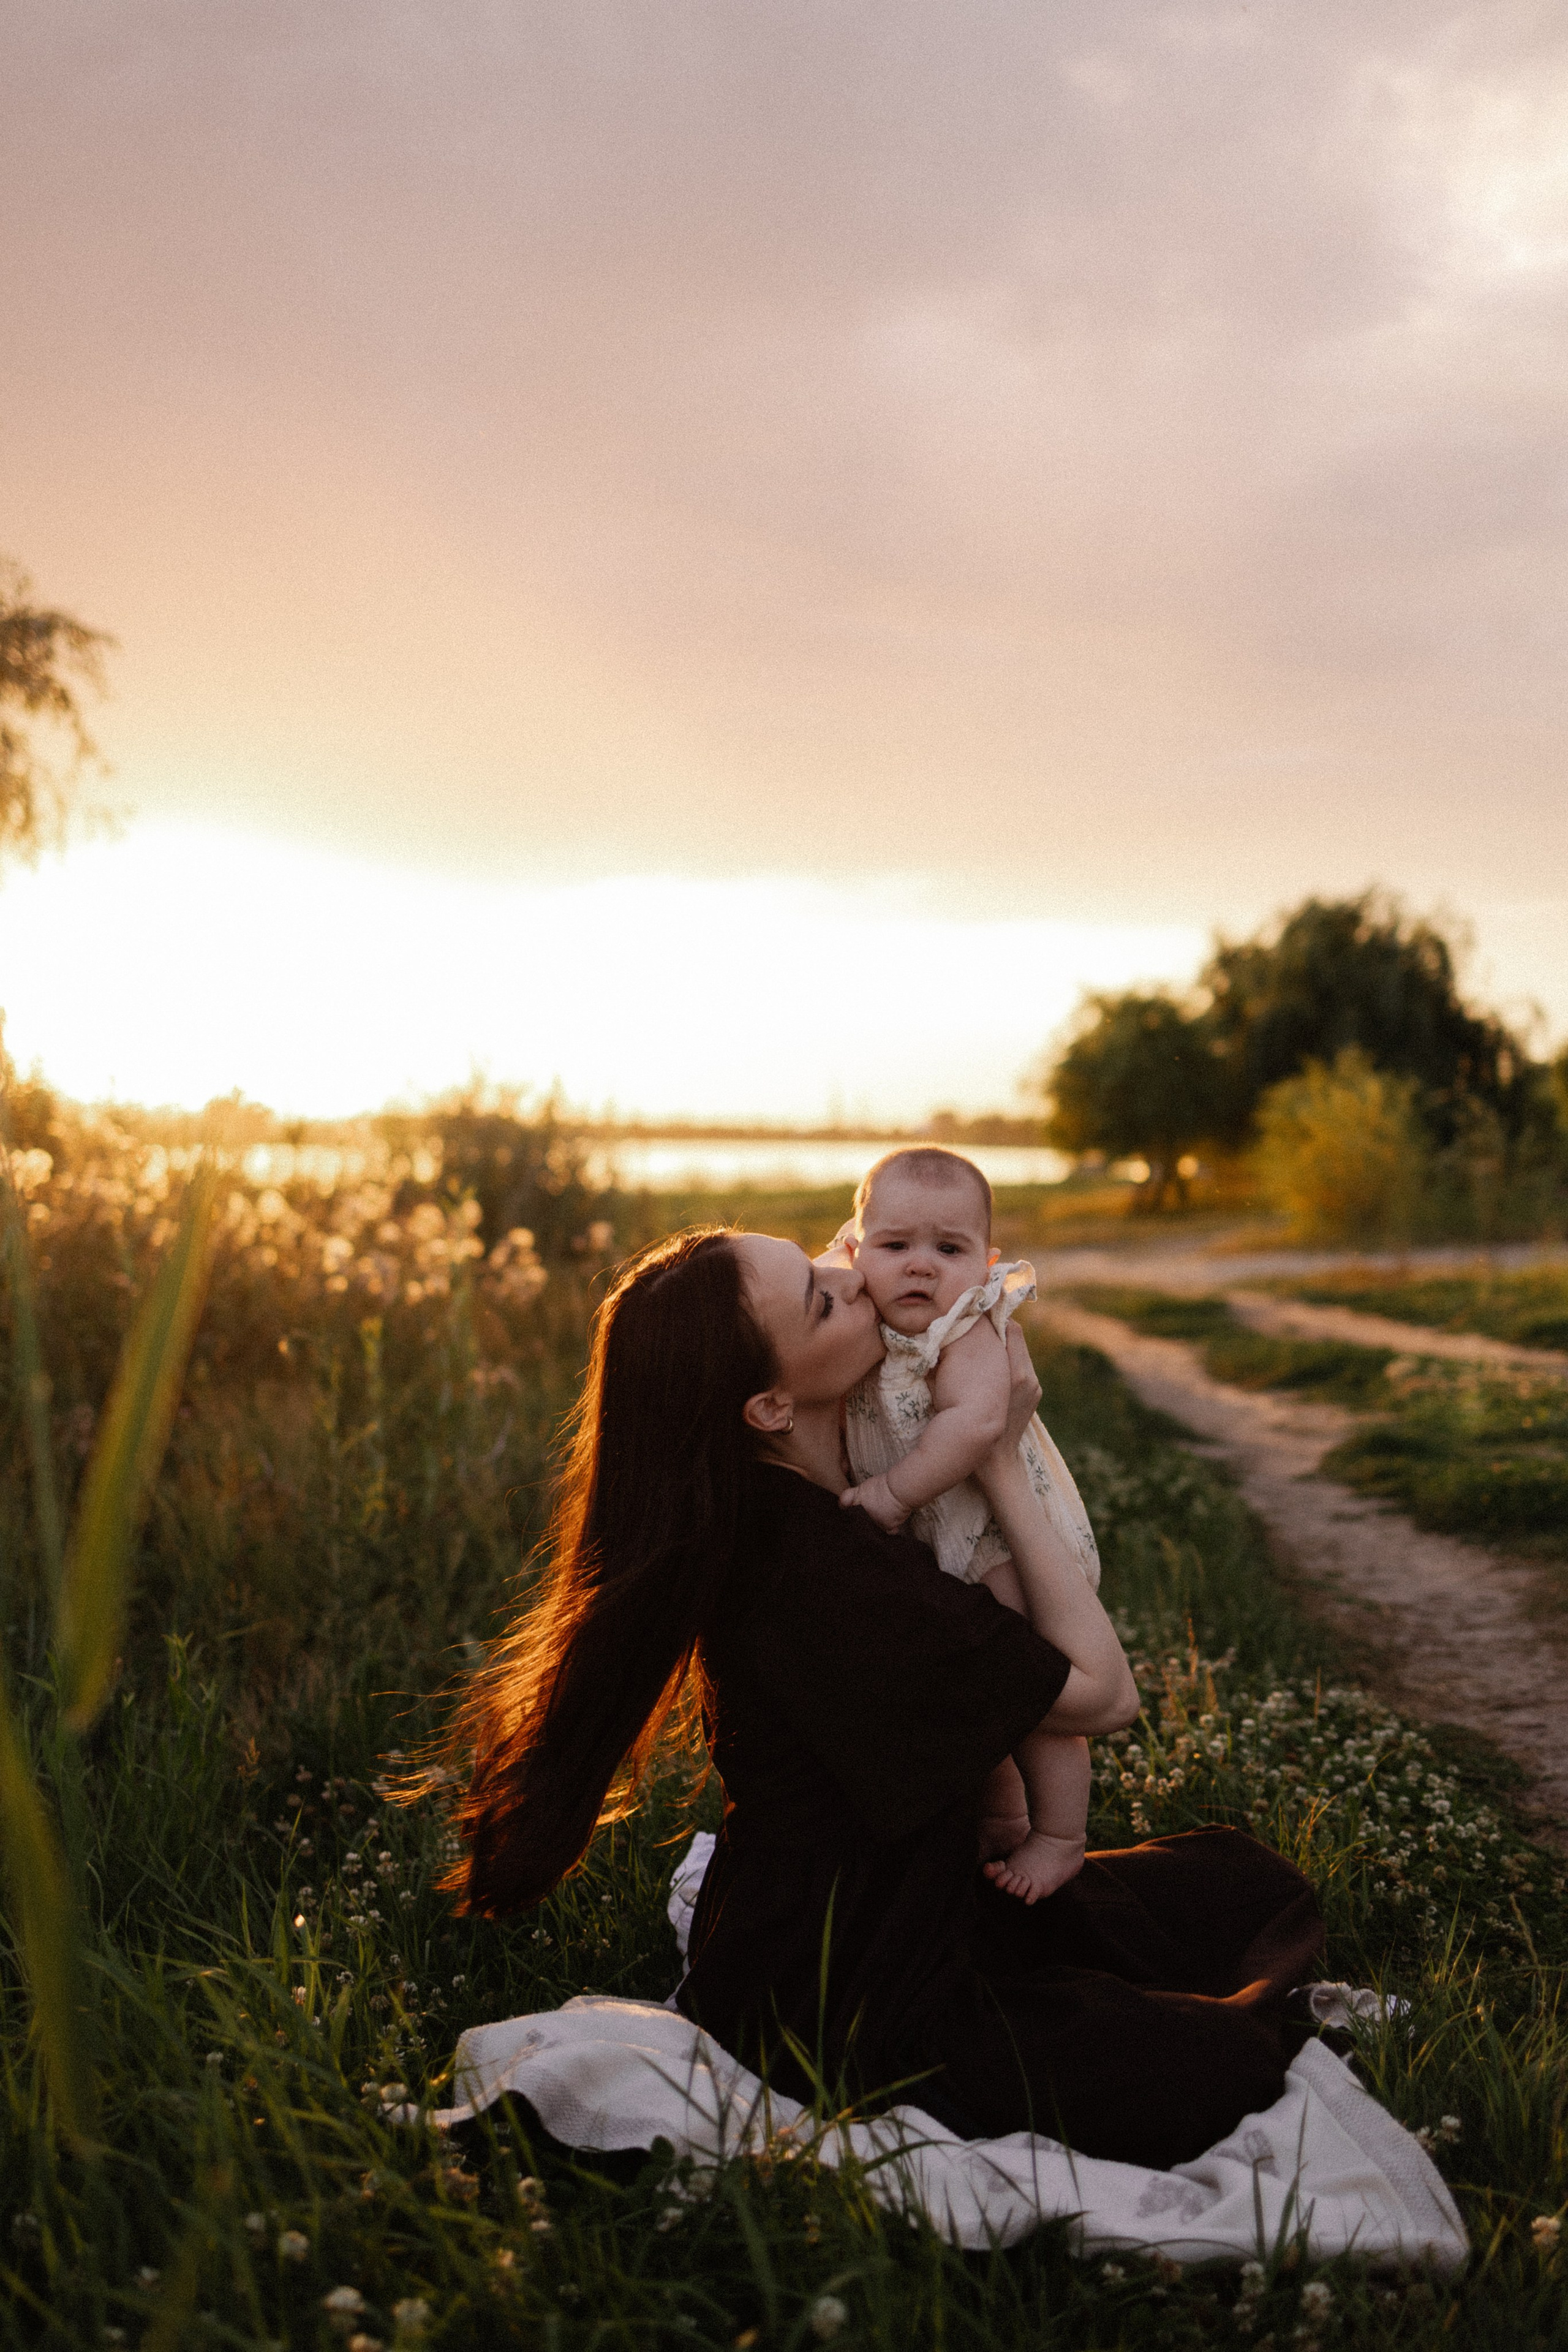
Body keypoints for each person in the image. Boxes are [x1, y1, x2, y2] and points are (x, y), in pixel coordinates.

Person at [445, 1227, 1325, 2171]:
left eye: (822, 1258)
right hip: (851, 1992)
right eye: (821, 1298)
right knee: (1222, 2062)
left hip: (895, 1905)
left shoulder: (813, 1504)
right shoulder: (822, 1570)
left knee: (1235, 1882)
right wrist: (998, 1454)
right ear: (771, 1405)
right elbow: (1104, 1696)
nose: (853, 1278)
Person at [820, 1145, 1102, 1904]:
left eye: (948, 1249)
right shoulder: (858, 1304)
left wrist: (889, 1496)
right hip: (941, 1537)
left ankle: (1060, 1835)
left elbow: (977, 1424)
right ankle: (1004, 1812)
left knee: (1025, 1690)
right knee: (979, 1698)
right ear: (854, 1246)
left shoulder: (966, 1325)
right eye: (895, 1245)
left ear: (987, 1263)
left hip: (996, 1539)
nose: (920, 1268)